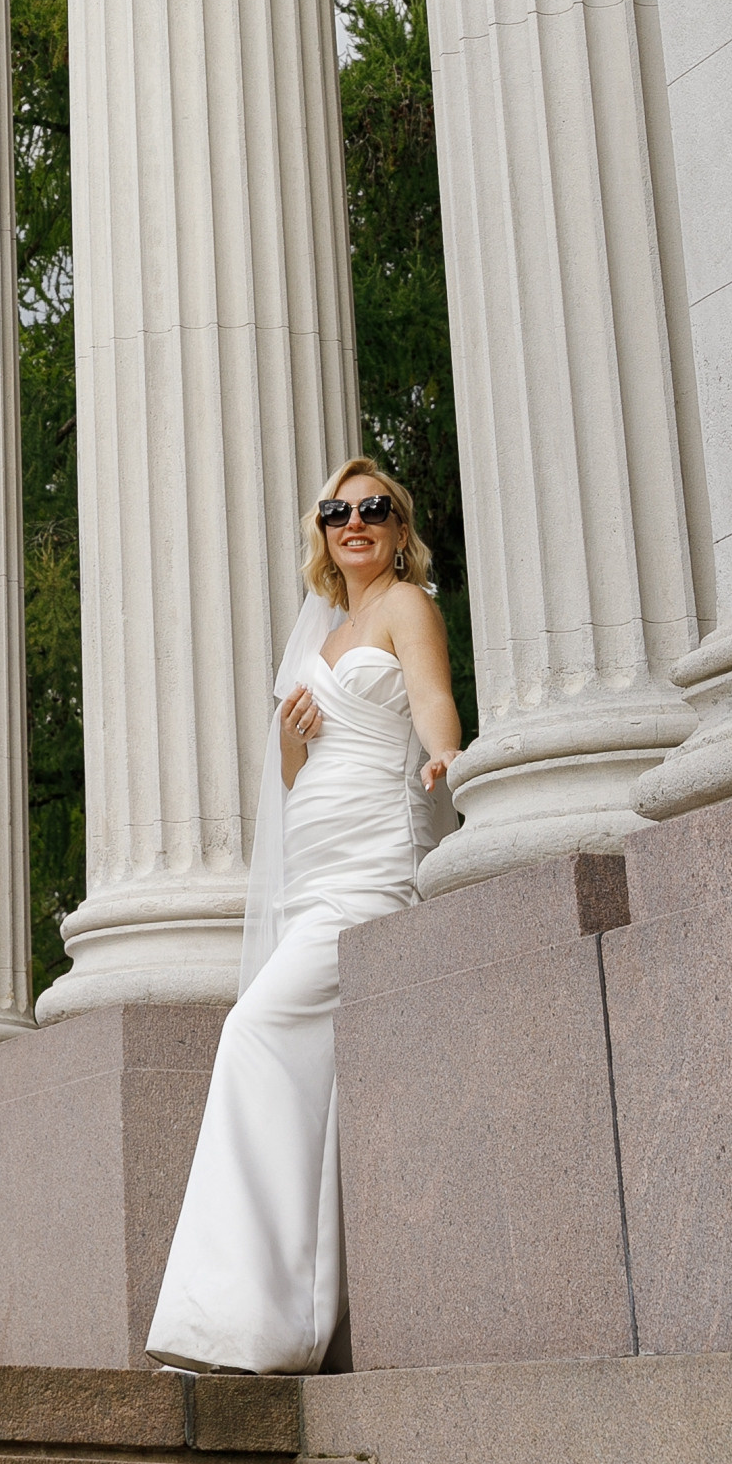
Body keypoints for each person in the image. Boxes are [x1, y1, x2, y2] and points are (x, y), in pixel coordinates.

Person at [146, 456, 461, 1376]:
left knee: (252, 1029)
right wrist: (290, 741)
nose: (352, 523)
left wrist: (446, 759)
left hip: (372, 864)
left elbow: (434, 703)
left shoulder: (406, 606)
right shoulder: (323, 632)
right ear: (320, 534)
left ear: (400, 529)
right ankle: (264, 1318)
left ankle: (253, 1313)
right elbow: (290, 785)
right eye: (335, 512)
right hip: (316, 869)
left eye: (373, 509)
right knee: (291, 1059)